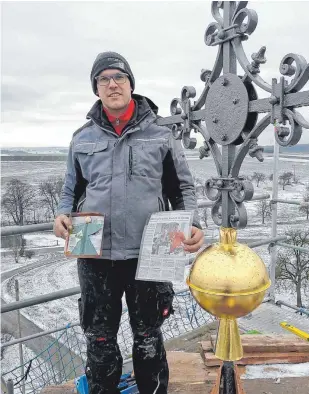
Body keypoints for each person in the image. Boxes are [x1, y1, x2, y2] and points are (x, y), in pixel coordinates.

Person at [54, 51, 204, 394]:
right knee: (100, 340)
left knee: (149, 337)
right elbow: (69, 190)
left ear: (131, 84)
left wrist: (192, 222)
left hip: (150, 250)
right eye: (103, 79)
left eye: (118, 77)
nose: (112, 84)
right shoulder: (82, 137)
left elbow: (182, 187)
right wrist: (62, 215)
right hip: (94, 252)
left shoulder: (161, 133)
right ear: (96, 89)